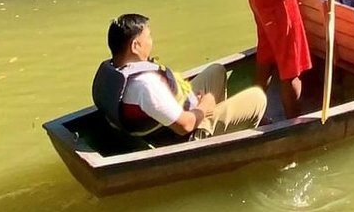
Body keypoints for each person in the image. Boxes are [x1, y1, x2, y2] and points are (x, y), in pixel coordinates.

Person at [91, 13, 267, 139]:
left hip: (167, 118)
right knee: (258, 98)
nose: (151, 42)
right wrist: (205, 106)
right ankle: (211, 137)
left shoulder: (115, 69)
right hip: (179, 134)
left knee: (217, 71)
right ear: (135, 46)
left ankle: (216, 125)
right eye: (148, 37)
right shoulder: (146, 84)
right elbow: (185, 126)